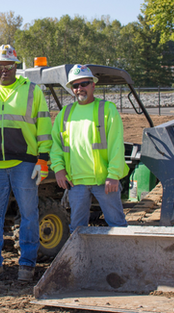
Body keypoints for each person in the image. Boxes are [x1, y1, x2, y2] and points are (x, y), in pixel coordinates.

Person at [0, 44, 51, 282]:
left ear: (16, 67)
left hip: (25, 164)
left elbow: (44, 126)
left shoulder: (32, 91)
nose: (4, 70)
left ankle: (27, 264)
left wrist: (42, 159)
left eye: (9, 66)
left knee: (29, 214)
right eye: (0, 66)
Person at [50, 64, 128, 231]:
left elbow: (116, 145)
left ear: (93, 85)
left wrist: (113, 175)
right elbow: (56, 146)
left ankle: (122, 256)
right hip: (76, 182)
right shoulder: (64, 114)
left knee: (117, 224)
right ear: (71, 89)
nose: (80, 89)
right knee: (77, 229)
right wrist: (58, 169)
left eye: (84, 84)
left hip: (104, 182)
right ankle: (79, 258)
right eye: (75, 86)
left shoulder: (107, 110)